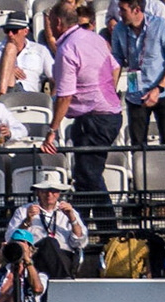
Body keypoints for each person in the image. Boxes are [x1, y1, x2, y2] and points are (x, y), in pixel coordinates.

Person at [43, 0, 120, 210]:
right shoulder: (95, 39)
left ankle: (110, 233)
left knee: (89, 175)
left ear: (58, 22)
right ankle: (80, 227)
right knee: (83, 176)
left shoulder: (67, 49)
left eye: (49, 23)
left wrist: (52, 130)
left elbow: (64, 95)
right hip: (105, 115)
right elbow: (115, 67)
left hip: (95, 119)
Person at [108, 0, 165, 148]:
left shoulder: (161, 25)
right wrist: (110, 91)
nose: (119, 14)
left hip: (163, 91)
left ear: (136, 10)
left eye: (123, 10)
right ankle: (141, 171)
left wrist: (158, 89)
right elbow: (116, 63)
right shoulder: (119, 30)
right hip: (136, 89)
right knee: (137, 144)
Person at [3, 168, 87, 276]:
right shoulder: (23, 211)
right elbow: (10, 240)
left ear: (59, 193)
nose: (49, 194)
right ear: (38, 192)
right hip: (35, 258)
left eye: (54, 191)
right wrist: (27, 221)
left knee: (52, 243)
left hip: (64, 256)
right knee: (49, 242)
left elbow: (80, 243)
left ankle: (62, 279)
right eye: (45, 191)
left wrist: (72, 218)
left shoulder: (69, 211)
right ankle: (64, 281)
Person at [0, 10, 54, 95]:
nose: (10, 34)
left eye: (14, 30)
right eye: (7, 30)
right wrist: (8, 69)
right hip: (0, 89)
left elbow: (55, 77)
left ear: (25, 31)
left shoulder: (40, 50)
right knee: (10, 48)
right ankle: (3, 96)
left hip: (29, 95)